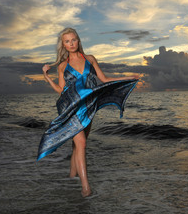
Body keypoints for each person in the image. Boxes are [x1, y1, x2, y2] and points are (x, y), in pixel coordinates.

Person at [39, 27, 138, 197]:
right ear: (63, 45)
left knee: (77, 145)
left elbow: (104, 79)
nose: (71, 44)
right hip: (71, 107)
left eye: (73, 40)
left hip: (88, 106)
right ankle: (86, 188)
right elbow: (61, 90)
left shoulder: (90, 59)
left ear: (78, 40)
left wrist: (126, 78)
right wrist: (47, 77)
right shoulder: (62, 66)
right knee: (82, 144)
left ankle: (71, 177)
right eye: (67, 41)